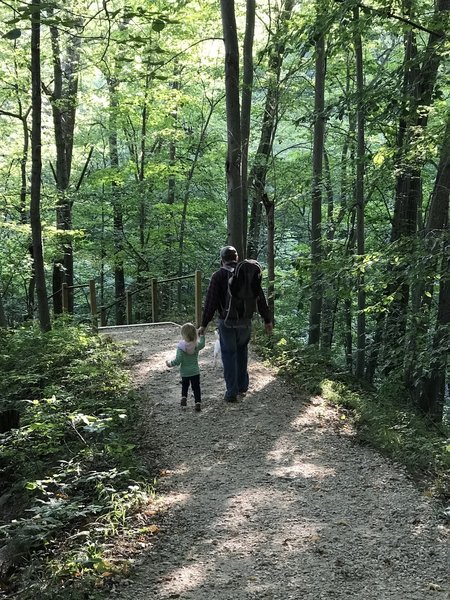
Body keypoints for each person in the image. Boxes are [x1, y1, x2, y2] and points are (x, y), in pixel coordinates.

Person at [198, 246, 273, 403]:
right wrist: (267, 320)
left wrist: (204, 324)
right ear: (237, 259)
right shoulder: (248, 275)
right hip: (245, 322)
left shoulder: (218, 276)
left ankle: (231, 391)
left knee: (229, 355)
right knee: (242, 352)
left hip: (226, 322)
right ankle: (242, 385)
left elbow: (211, 302)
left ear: (222, 260)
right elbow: (260, 298)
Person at [166, 322, 205, 412]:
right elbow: (202, 344)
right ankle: (198, 403)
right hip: (195, 371)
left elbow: (178, 360)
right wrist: (202, 335)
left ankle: (184, 398)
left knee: (185, 386)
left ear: (183, 335)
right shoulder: (196, 345)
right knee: (196, 388)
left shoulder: (181, 347)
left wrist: (170, 363)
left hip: (185, 372)